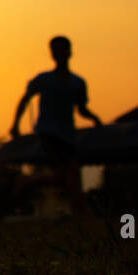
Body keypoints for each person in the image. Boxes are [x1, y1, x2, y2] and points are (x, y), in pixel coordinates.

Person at [9, 36, 103, 215]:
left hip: (67, 134)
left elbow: (81, 109)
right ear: (52, 54)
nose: (59, 53)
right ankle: (81, 213)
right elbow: (25, 99)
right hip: (48, 132)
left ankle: (27, 181)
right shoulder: (43, 79)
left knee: (62, 177)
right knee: (72, 169)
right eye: (55, 50)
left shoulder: (78, 82)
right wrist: (15, 124)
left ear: (69, 52)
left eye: (62, 49)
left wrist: (94, 118)